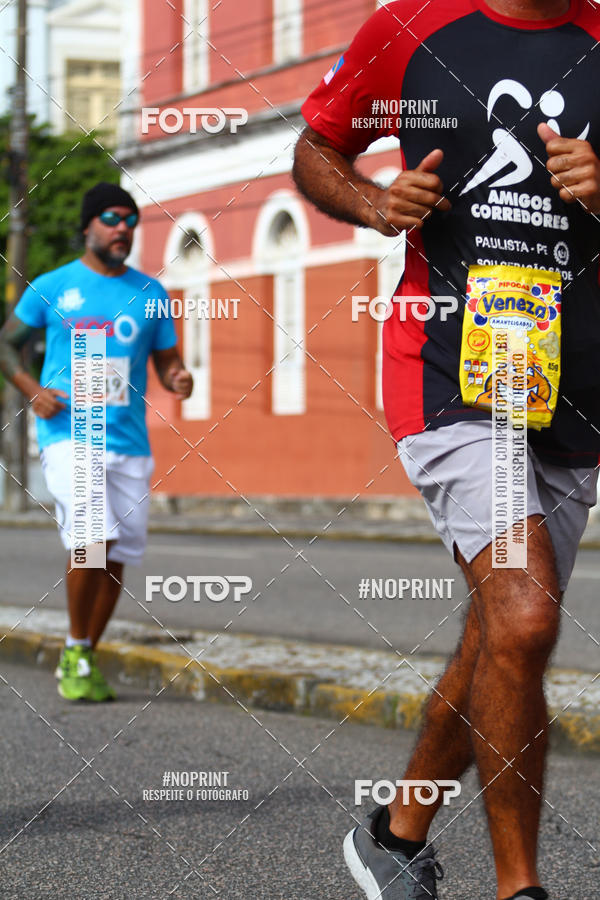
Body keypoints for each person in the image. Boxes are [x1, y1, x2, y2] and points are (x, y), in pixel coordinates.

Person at [294, 1, 600, 898]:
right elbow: (318, 147)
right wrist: (373, 201)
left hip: (574, 387)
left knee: (502, 637)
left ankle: (398, 831)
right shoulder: (408, 28)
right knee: (526, 618)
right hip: (449, 374)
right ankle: (520, 887)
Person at [0, 182, 193, 702]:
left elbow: (167, 360)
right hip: (69, 432)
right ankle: (74, 647)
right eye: (111, 218)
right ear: (88, 227)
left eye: (130, 220)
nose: (122, 227)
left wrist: (177, 377)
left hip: (129, 439)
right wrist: (31, 389)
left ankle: (83, 651)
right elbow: (5, 343)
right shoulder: (52, 286)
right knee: (92, 538)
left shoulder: (151, 294)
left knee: (118, 554)